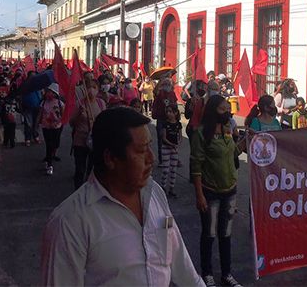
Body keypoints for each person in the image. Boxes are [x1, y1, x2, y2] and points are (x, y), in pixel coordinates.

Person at [41, 107, 204, 286]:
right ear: (111, 158)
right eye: (141, 151)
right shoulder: (70, 223)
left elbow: (181, 262)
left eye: (150, 146)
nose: (152, 158)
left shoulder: (154, 193)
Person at [190, 95, 243, 287]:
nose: (227, 112)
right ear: (213, 111)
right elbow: (196, 165)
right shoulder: (201, 133)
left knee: (226, 234)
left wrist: (246, 141)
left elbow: (233, 153)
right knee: (209, 234)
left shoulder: (228, 130)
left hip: (230, 190)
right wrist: (199, 194)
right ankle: (207, 273)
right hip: (210, 192)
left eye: (228, 109)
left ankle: (227, 273)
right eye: (223, 109)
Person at [70, 80, 105, 190]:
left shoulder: (101, 103)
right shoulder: (79, 104)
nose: (91, 90)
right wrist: (80, 115)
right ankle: (78, 190)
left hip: (95, 141)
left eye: (94, 87)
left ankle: (89, 190)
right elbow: (72, 123)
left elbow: (104, 120)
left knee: (92, 168)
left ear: (97, 89)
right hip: (80, 140)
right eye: (88, 87)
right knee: (80, 168)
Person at [39, 83, 65, 176]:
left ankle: (51, 155)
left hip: (57, 126)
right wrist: (37, 124)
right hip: (46, 126)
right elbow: (40, 113)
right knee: (49, 144)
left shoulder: (59, 103)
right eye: (48, 92)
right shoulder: (43, 103)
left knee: (55, 143)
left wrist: (62, 122)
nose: (49, 94)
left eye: (51, 92)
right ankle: (49, 163)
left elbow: (63, 114)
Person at [152, 78, 178, 165]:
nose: (167, 85)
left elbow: (175, 104)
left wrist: (176, 116)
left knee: (172, 137)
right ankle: (161, 160)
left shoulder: (172, 93)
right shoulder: (159, 93)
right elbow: (155, 91)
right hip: (161, 119)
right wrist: (160, 80)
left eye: (168, 84)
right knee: (161, 138)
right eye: (165, 84)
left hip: (170, 119)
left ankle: (173, 158)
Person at [161, 104, 182, 198]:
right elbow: (164, 138)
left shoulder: (178, 124)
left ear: (175, 113)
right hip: (166, 148)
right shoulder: (165, 124)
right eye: (167, 112)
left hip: (174, 149)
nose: (169, 114)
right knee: (165, 169)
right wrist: (171, 144)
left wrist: (178, 144)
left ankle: (171, 188)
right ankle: (163, 187)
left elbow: (180, 137)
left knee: (173, 169)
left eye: (171, 112)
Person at [20, 71, 42, 146]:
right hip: (27, 106)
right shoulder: (25, 85)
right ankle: (28, 138)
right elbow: (20, 95)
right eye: (32, 76)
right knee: (28, 123)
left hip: (37, 106)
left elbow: (41, 94)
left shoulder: (38, 84)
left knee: (36, 123)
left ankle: (35, 135)